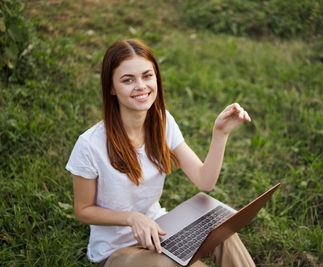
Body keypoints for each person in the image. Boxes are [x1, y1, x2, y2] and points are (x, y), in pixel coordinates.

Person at [66, 39, 255, 267]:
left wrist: (220, 134)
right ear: (111, 88)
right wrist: (132, 218)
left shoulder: (163, 122)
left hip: (161, 232)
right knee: (167, 265)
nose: (141, 86)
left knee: (223, 232)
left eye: (147, 76)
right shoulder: (89, 145)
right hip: (116, 251)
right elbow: (83, 210)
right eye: (128, 80)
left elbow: (204, 180)